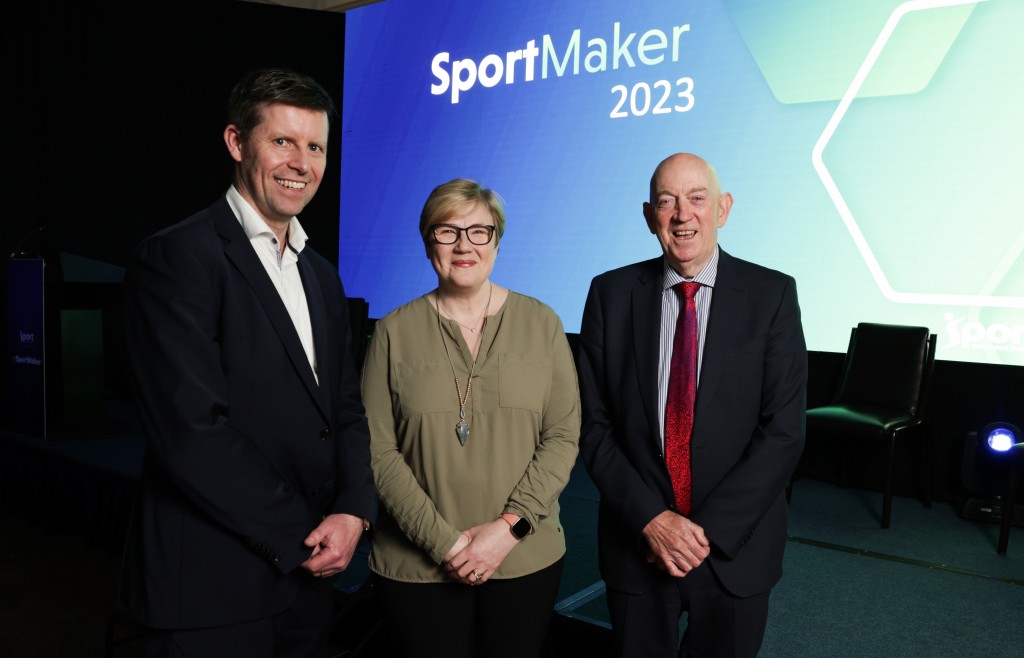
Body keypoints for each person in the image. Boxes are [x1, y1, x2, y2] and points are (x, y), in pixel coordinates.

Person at [119, 67, 377, 657]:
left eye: (315, 147)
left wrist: (354, 513)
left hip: (309, 587)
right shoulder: (178, 257)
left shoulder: (322, 276)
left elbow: (344, 408)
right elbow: (191, 432)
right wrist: (307, 537)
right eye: (282, 141)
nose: (301, 163)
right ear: (238, 143)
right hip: (213, 590)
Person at [576, 153, 807, 657]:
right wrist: (653, 520)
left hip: (735, 550)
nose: (683, 214)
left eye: (697, 199)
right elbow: (593, 427)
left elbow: (784, 432)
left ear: (722, 209)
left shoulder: (772, 295)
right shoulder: (609, 295)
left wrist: (702, 534)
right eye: (667, 201)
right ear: (648, 215)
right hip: (637, 543)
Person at [360, 178, 580, 658]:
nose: (464, 245)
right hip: (417, 566)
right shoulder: (393, 333)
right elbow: (378, 450)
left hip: (524, 555)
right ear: (428, 242)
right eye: (448, 231)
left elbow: (562, 436)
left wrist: (509, 528)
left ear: (497, 241)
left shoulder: (542, 323)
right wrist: (445, 545)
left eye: (479, 231)